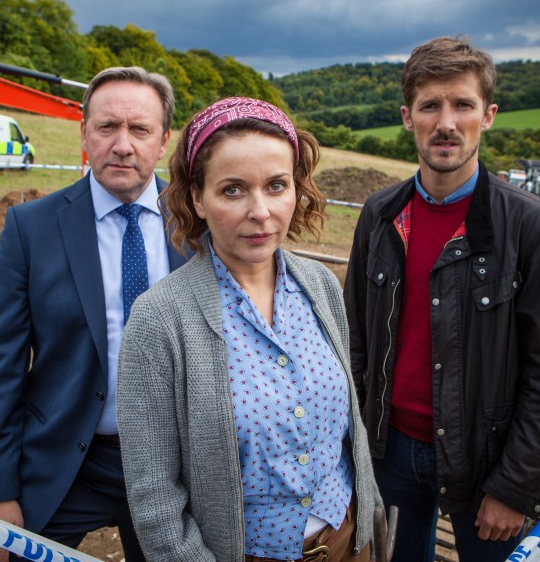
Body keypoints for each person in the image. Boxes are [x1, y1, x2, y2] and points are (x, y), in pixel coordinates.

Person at [343, 37, 540, 562]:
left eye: (463, 105)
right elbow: (355, 340)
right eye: (430, 105)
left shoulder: (530, 226)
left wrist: (515, 485)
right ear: (408, 117)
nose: (445, 122)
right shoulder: (380, 217)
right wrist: (359, 448)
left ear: (488, 115)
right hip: (391, 452)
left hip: (486, 461)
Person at [117, 97, 382, 562]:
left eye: (276, 185)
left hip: (348, 541)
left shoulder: (320, 285)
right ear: (198, 197)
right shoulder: (160, 319)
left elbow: (349, 431)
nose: (260, 211)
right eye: (233, 190)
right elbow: (155, 495)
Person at [0, 67, 187, 562]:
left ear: (163, 140)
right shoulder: (31, 227)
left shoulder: (201, 223)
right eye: (107, 127)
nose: (122, 145)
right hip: (66, 458)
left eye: (140, 130)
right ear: (84, 133)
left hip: (173, 466)